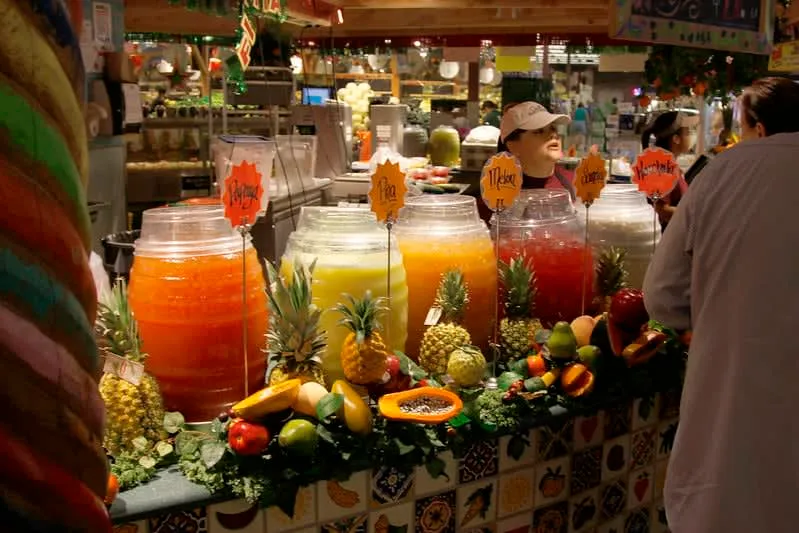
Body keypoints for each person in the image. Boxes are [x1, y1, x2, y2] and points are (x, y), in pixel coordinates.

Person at [643, 77, 799, 533]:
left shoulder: (722, 173)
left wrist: (718, 310)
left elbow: (663, 297)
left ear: (757, 126)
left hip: (733, 429)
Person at [498, 101, 574, 199]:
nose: (553, 135)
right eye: (539, 131)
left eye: (553, 128)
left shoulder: (576, 182)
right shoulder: (494, 197)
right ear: (513, 146)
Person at [639, 110, 697, 229]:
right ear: (676, 139)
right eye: (689, 132)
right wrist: (695, 216)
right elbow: (660, 210)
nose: (693, 135)